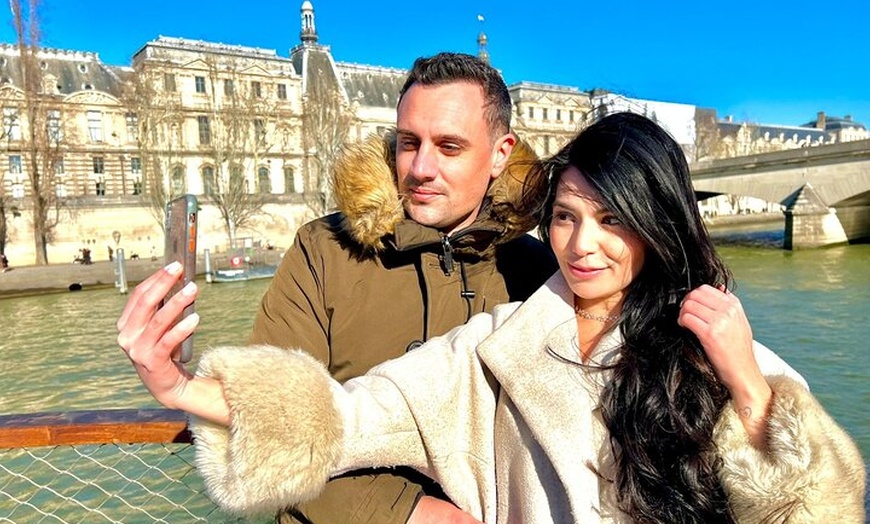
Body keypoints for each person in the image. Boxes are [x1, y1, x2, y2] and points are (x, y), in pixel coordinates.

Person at [119, 112, 865, 523]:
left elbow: (820, 511)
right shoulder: (490, 350)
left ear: (656, 226)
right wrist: (179, 387)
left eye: (613, 220)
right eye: (567, 217)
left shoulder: (720, 351)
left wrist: (748, 384)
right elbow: (338, 417)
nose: (583, 245)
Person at [118, 52, 556, 524]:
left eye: (449, 147)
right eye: (409, 142)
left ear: (500, 153)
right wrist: (407, 512)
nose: (421, 168)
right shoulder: (324, 248)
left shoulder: (538, 270)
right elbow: (270, 429)